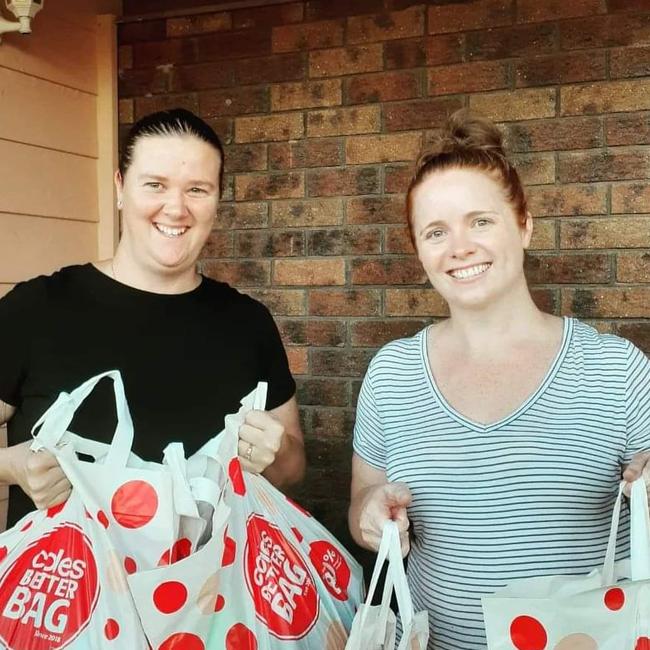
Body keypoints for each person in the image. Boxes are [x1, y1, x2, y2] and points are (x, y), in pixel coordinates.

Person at [349, 109, 650, 649]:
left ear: (525, 225)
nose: (459, 246)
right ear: (419, 253)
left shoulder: (615, 369)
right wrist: (370, 515)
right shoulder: (391, 375)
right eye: (436, 231)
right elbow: (361, 506)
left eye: (480, 221)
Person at [0, 108, 305, 527]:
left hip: (209, 588)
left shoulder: (248, 322)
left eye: (197, 189)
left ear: (217, 200)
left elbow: (291, 470)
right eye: (155, 185)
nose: (176, 208)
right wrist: (12, 466)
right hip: (69, 585)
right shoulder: (37, 308)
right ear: (120, 188)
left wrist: (277, 452)